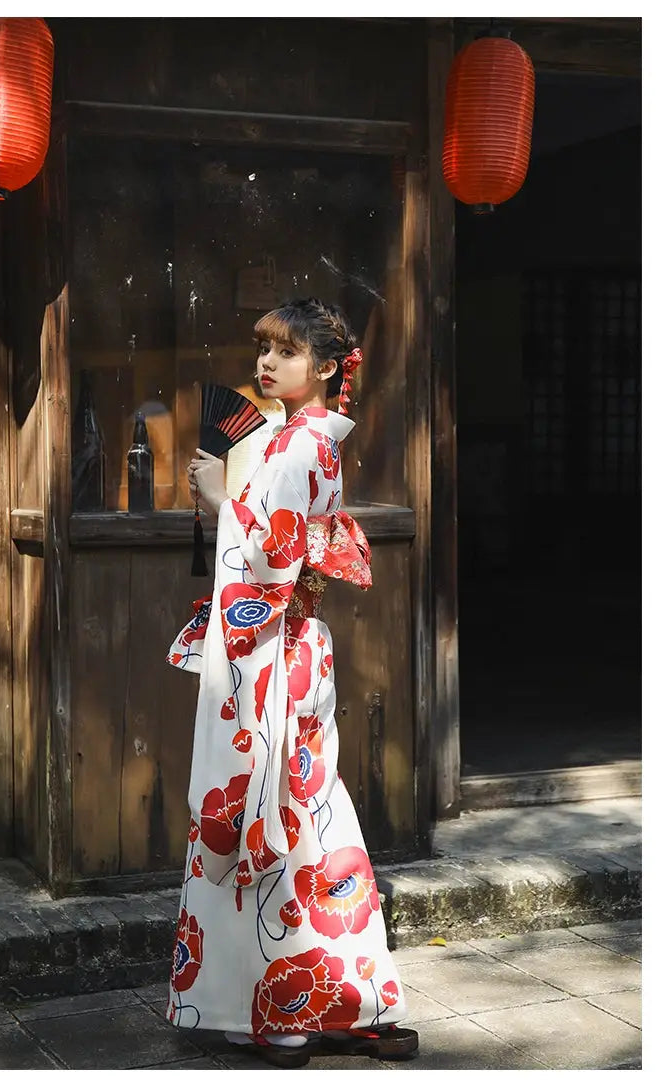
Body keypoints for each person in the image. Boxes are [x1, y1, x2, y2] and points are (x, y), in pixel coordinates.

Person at [165, 297, 419, 1068]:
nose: (266, 363)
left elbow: (273, 562)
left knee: (268, 816)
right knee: (311, 816)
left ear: (328, 367)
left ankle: (284, 1010)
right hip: (293, 644)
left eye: (286, 352)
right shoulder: (295, 436)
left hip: (277, 650)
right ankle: (345, 997)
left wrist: (221, 501)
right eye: (264, 350)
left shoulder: (304, 443)